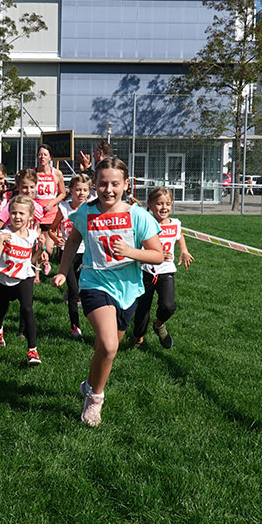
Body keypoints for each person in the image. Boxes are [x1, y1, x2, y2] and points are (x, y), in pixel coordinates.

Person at [51, 158, 164, 427]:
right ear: (95, 185)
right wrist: (63, 271)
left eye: (115, 184)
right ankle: (95, 399)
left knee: (105, 349)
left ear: (126, 184)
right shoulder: (86, 212)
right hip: (94, 283)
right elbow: (73, 240)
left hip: (129, 290)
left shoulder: (138, 216)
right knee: (110, 345)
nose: (108, 190)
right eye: (102, 184)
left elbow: (158, 255)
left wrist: (130, 252)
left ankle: (89, 385)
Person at [131, 187, 194, 349]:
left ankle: (159, 324)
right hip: (146, 271)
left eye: (168, 204)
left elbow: (179, 236)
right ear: (150, 205)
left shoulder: (175, 223)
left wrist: (184, 251)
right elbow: (137, 244)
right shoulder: (145, 223)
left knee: (168, 305)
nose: (164, 207)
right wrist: (154, 253)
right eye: (159, 203)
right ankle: (138, 337)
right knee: (142, 308)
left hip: (166, 271)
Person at [0, 195, 42, 365]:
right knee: (2, 309)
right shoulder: (5, 234)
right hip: (5, 278)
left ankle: (32, 350)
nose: (17, 216)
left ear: (30, 216)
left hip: (25, 276)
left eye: (21, 213)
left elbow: (32, 260)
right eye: (13, 213)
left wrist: (41, 250)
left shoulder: (33, 235)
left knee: (27, 309)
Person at [51, 173, 92, 337]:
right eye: (78, 190)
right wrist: (56, 238)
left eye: (85, 190)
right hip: (67, 253)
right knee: (74, 290)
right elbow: (51, 229)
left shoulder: (90, 208)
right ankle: (75, 326)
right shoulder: (63, 208)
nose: (81, 193)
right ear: (71, 190)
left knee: (82, 289)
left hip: (86, 254)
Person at [33, 144, 67, 274]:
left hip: (50, 214)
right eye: (40, 154)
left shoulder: (56, 173)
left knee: (48, 248)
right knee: (36, 244)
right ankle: (36, 275)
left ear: (50, 157)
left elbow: (63, 194)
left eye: (45, 154)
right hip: (36, 213)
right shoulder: (32, 173)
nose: (42, 157)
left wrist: (52, 203)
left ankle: (46, 260)